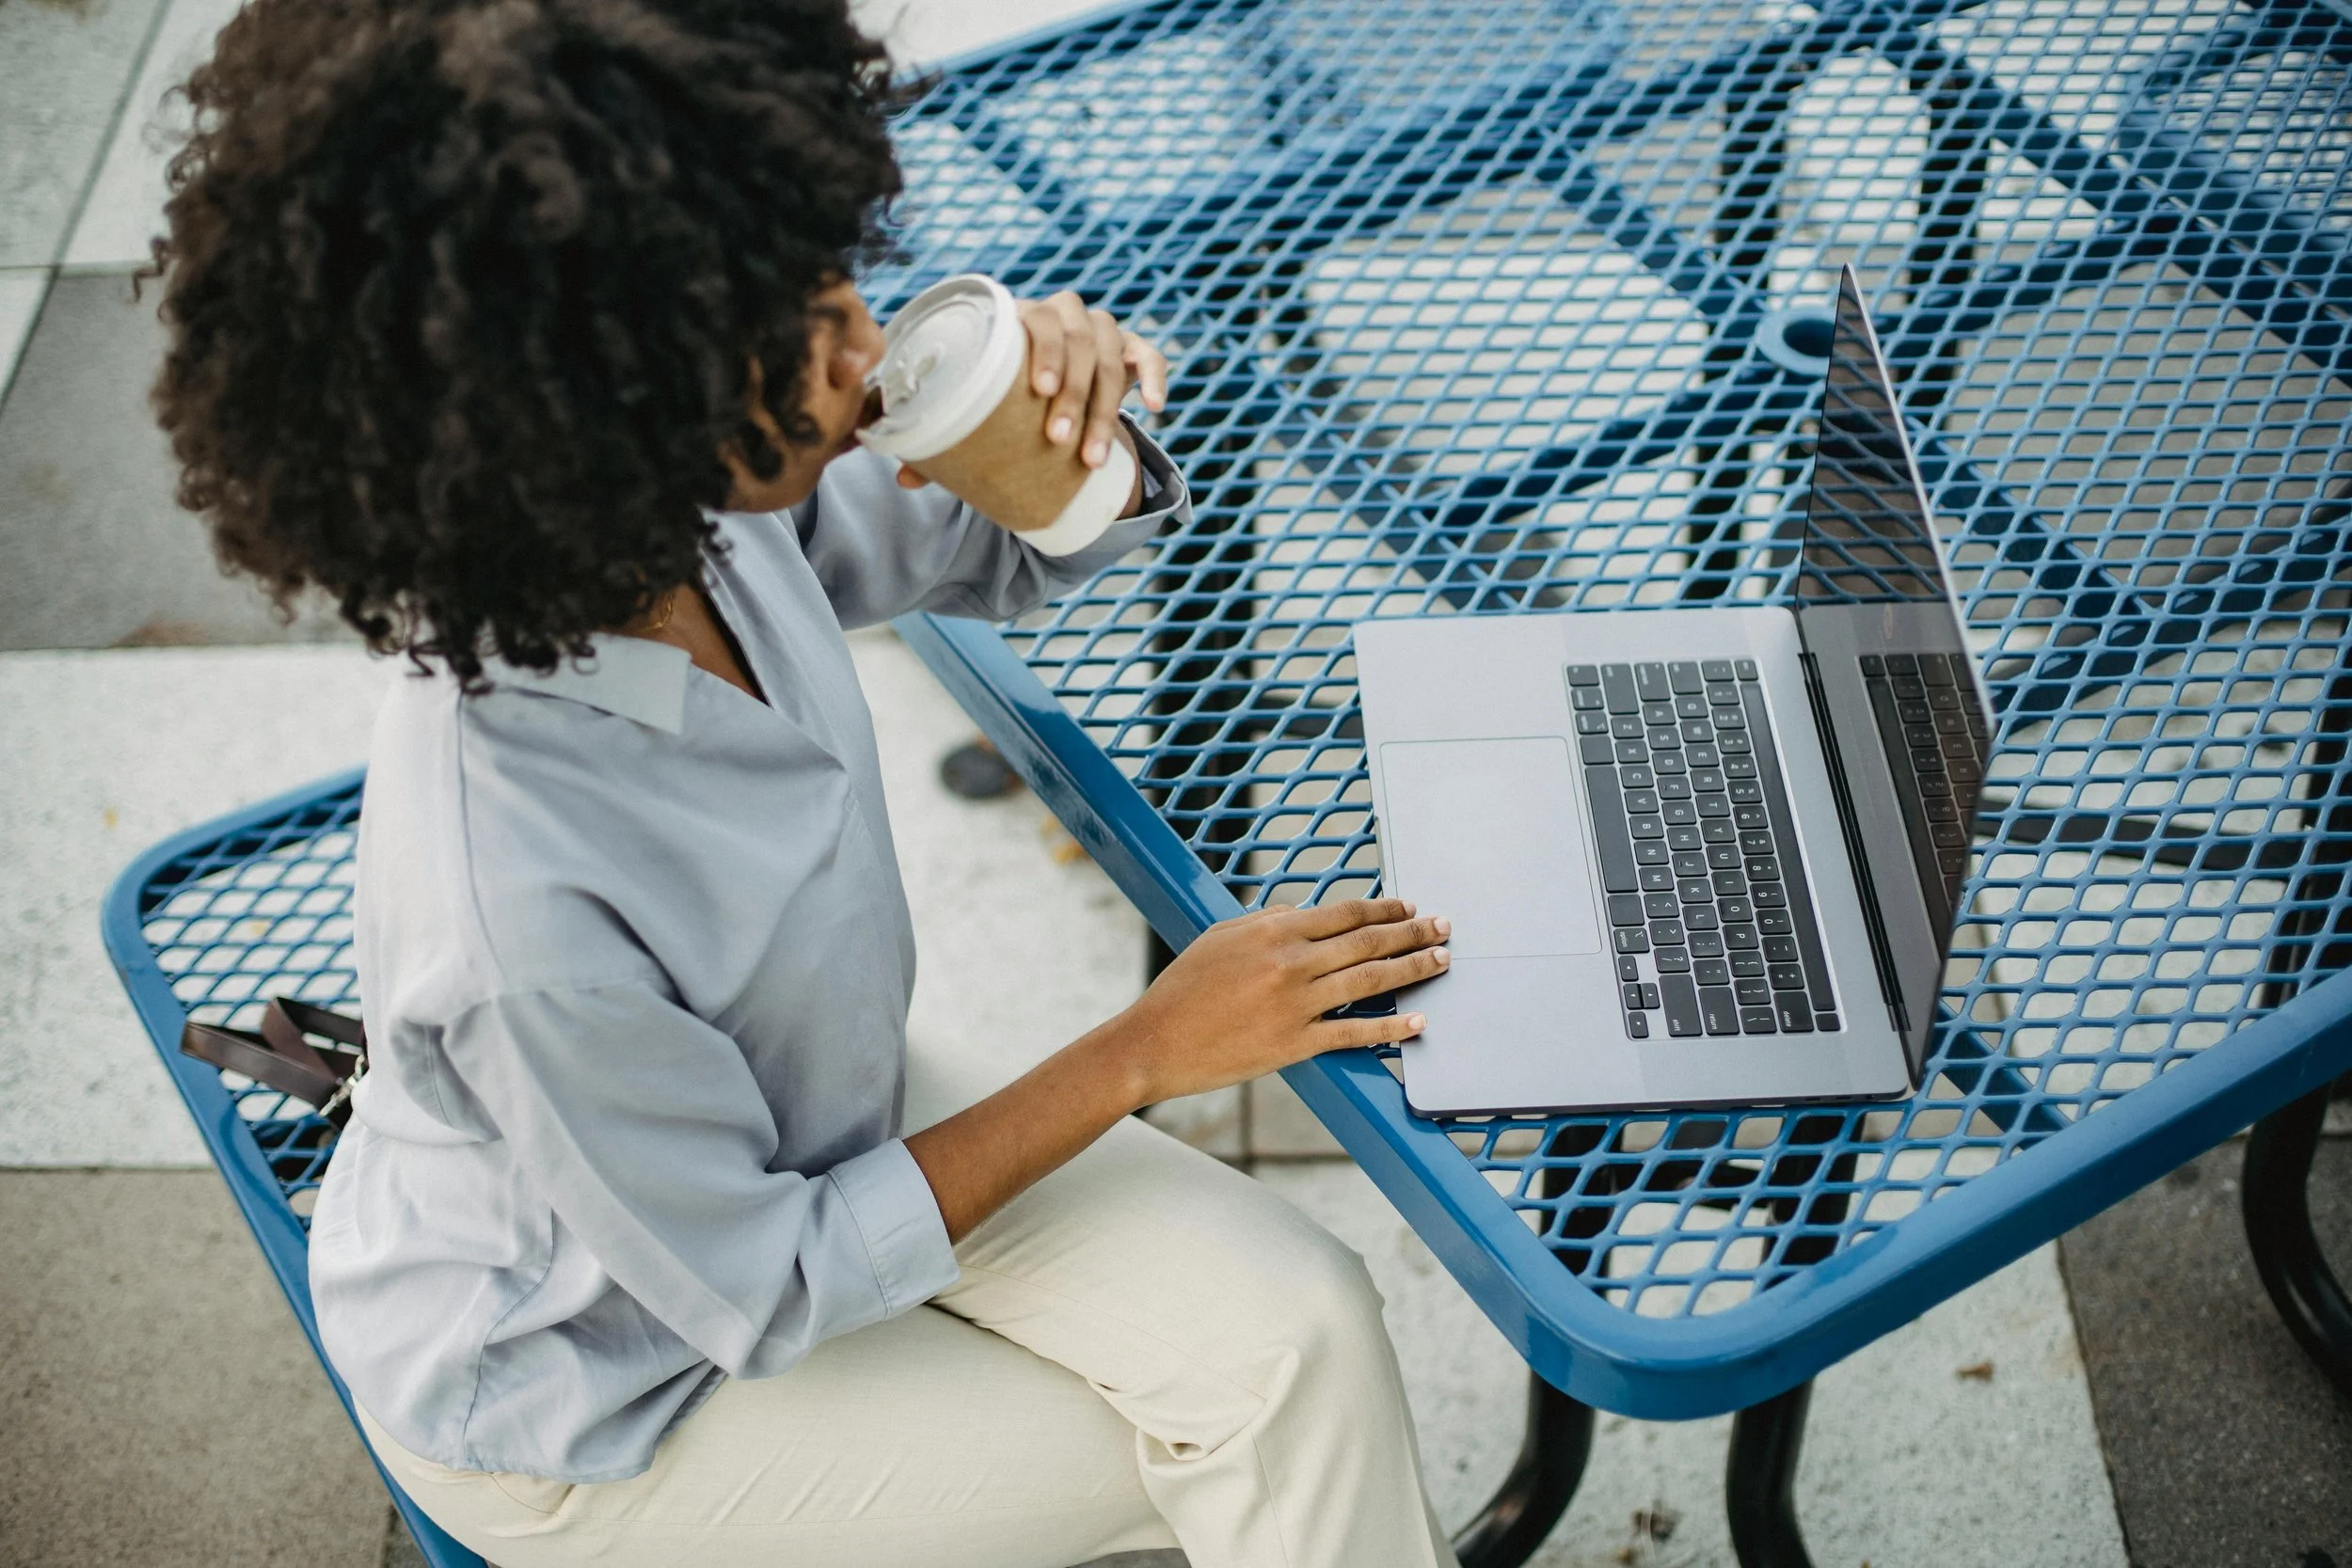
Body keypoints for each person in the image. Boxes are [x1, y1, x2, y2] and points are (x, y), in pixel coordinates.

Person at [150, 0, 1460, 1563]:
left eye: (815, 272)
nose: (855, 334)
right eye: (785, 335)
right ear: (601, 424)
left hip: (805, 1112)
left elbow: (940, 536)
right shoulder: (517, 912)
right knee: (1257, 1421)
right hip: (601, 1398)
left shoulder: (668, 521)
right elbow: (767, 1277)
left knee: (1305, 1324)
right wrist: (1146, 1049)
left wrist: (1063, 428)